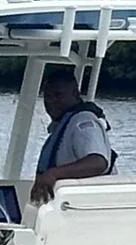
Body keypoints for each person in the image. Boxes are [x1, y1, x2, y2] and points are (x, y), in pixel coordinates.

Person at [31, 68, 116, 203]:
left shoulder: (83, 122)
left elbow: (98, 162)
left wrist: (53, 173)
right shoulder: (63, 124)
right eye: (47, 96)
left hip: (85, 207)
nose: (51, 101)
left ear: (75, 95)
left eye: (58, 95)